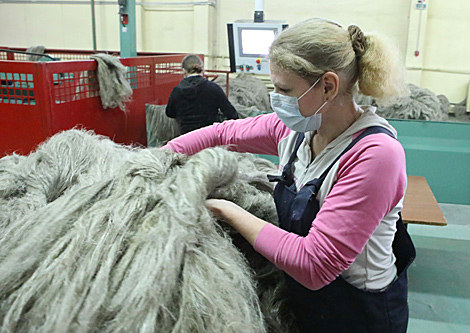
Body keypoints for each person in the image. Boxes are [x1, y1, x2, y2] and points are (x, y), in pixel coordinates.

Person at [162, 18, 415, 333]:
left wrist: (226, 209)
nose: (276, 98)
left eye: (283, 89)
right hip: (307, 304)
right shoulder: (294, 131)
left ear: (327, 86)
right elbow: (222, 133)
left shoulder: (374, 155)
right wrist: (159, 158)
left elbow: (314, 264)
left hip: (357, 313)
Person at [165, 54, 239, 134]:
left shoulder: (177, 91)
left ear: (183, 70)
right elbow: (232, 114)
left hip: (186, 138)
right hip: (209, 137)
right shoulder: (213, 88)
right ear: (202, 69)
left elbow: (170, 113)